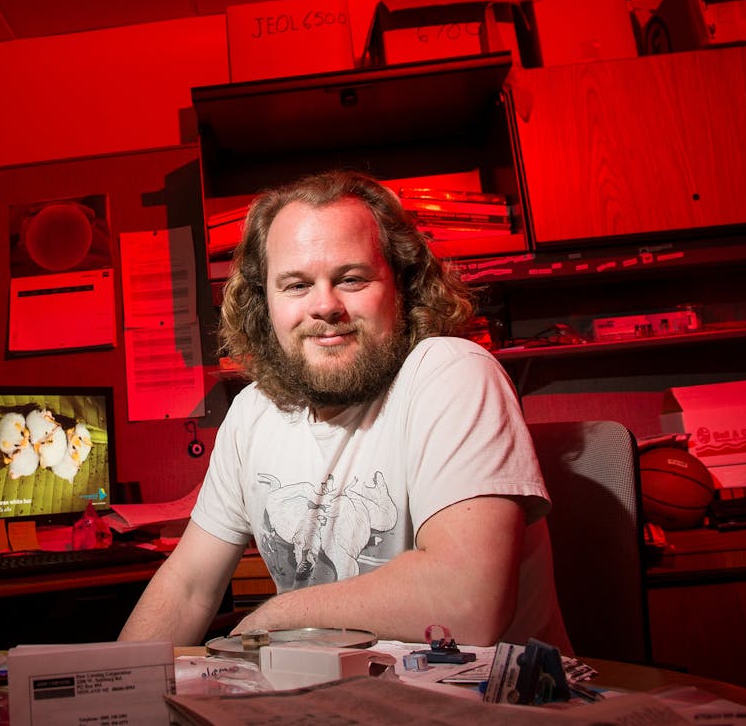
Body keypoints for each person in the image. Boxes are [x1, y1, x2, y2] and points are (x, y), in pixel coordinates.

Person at [119, 170, 570, 649]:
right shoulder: (252, 414)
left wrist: (274, 618)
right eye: (295, 285)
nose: (325, 306)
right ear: (263, 303)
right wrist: (114, 693)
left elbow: (464, 604)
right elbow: (188, 589)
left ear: (402, 285)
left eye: (351, 279)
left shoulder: (450, 374)